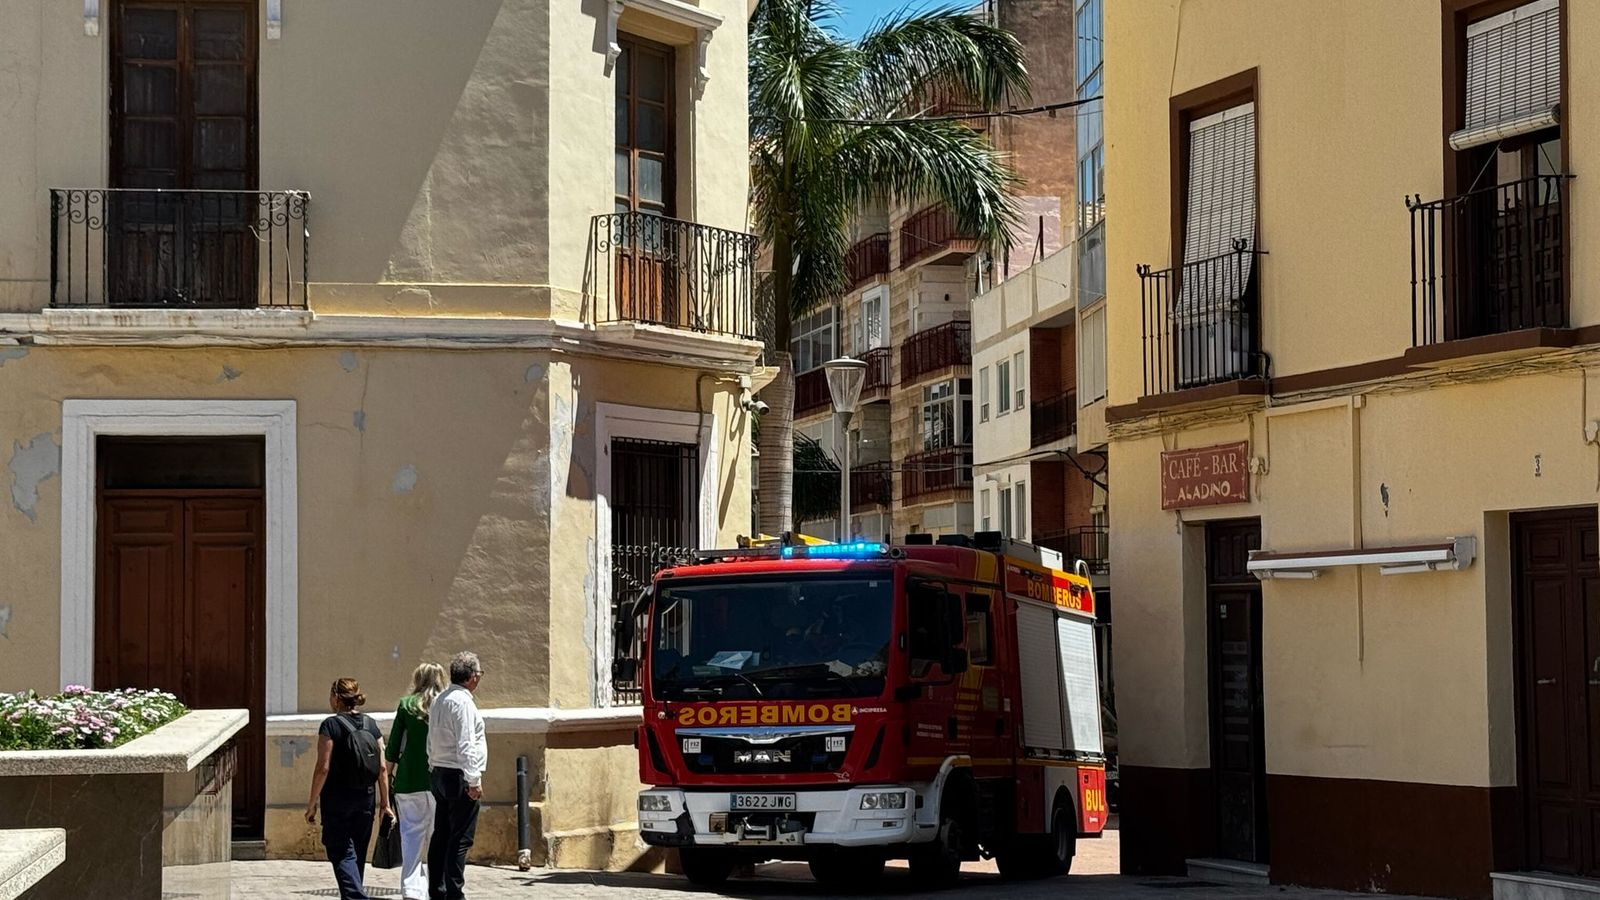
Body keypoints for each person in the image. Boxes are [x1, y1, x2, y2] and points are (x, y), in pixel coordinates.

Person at [305, 678, 393, 900]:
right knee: (358, 854)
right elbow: (382, 768)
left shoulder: (330, 726)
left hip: (337, 800)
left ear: (336, 697)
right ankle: (355, 894)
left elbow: (322, 768)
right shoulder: (371, 724)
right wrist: (385, 804)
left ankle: (356, 897)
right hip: (366, 798)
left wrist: (312, 803)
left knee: (342, 852)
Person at [427, 651, 487, 900]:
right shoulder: (462, 703)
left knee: (441, 834)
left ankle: (437, 890)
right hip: (457, 774)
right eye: (479, 674)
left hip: (440, 772)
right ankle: (454, 892)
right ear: (472, 677)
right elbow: (466, 744)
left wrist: (433, 765)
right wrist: (473, 780)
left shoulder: (440, 699)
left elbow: (431, 740)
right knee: (459, 838)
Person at [387, 662, 447, 900]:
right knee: (437, 836)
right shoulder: (446, 705)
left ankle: (412, 888)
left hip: (409, 779)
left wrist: (386, 774)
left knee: (411, 835)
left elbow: (393, 745)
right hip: (439, 778)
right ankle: (436, 886)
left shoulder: (405, 705)